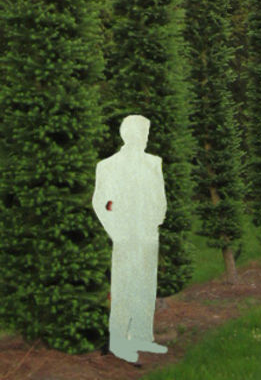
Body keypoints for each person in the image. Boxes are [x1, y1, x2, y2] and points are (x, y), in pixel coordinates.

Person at [92, 114, 167, 362]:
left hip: (147, 234)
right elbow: (101, 203)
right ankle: (119, 340)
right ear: (128, 135)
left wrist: (155, 220)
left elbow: (160, 198)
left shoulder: (154, 163)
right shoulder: (108, 166)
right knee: (124, 285)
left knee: (146, 284)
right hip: (124, 235)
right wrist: (116, 229)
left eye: (147, 134)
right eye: (141, 133)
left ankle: (143, 336)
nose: (145, 138)